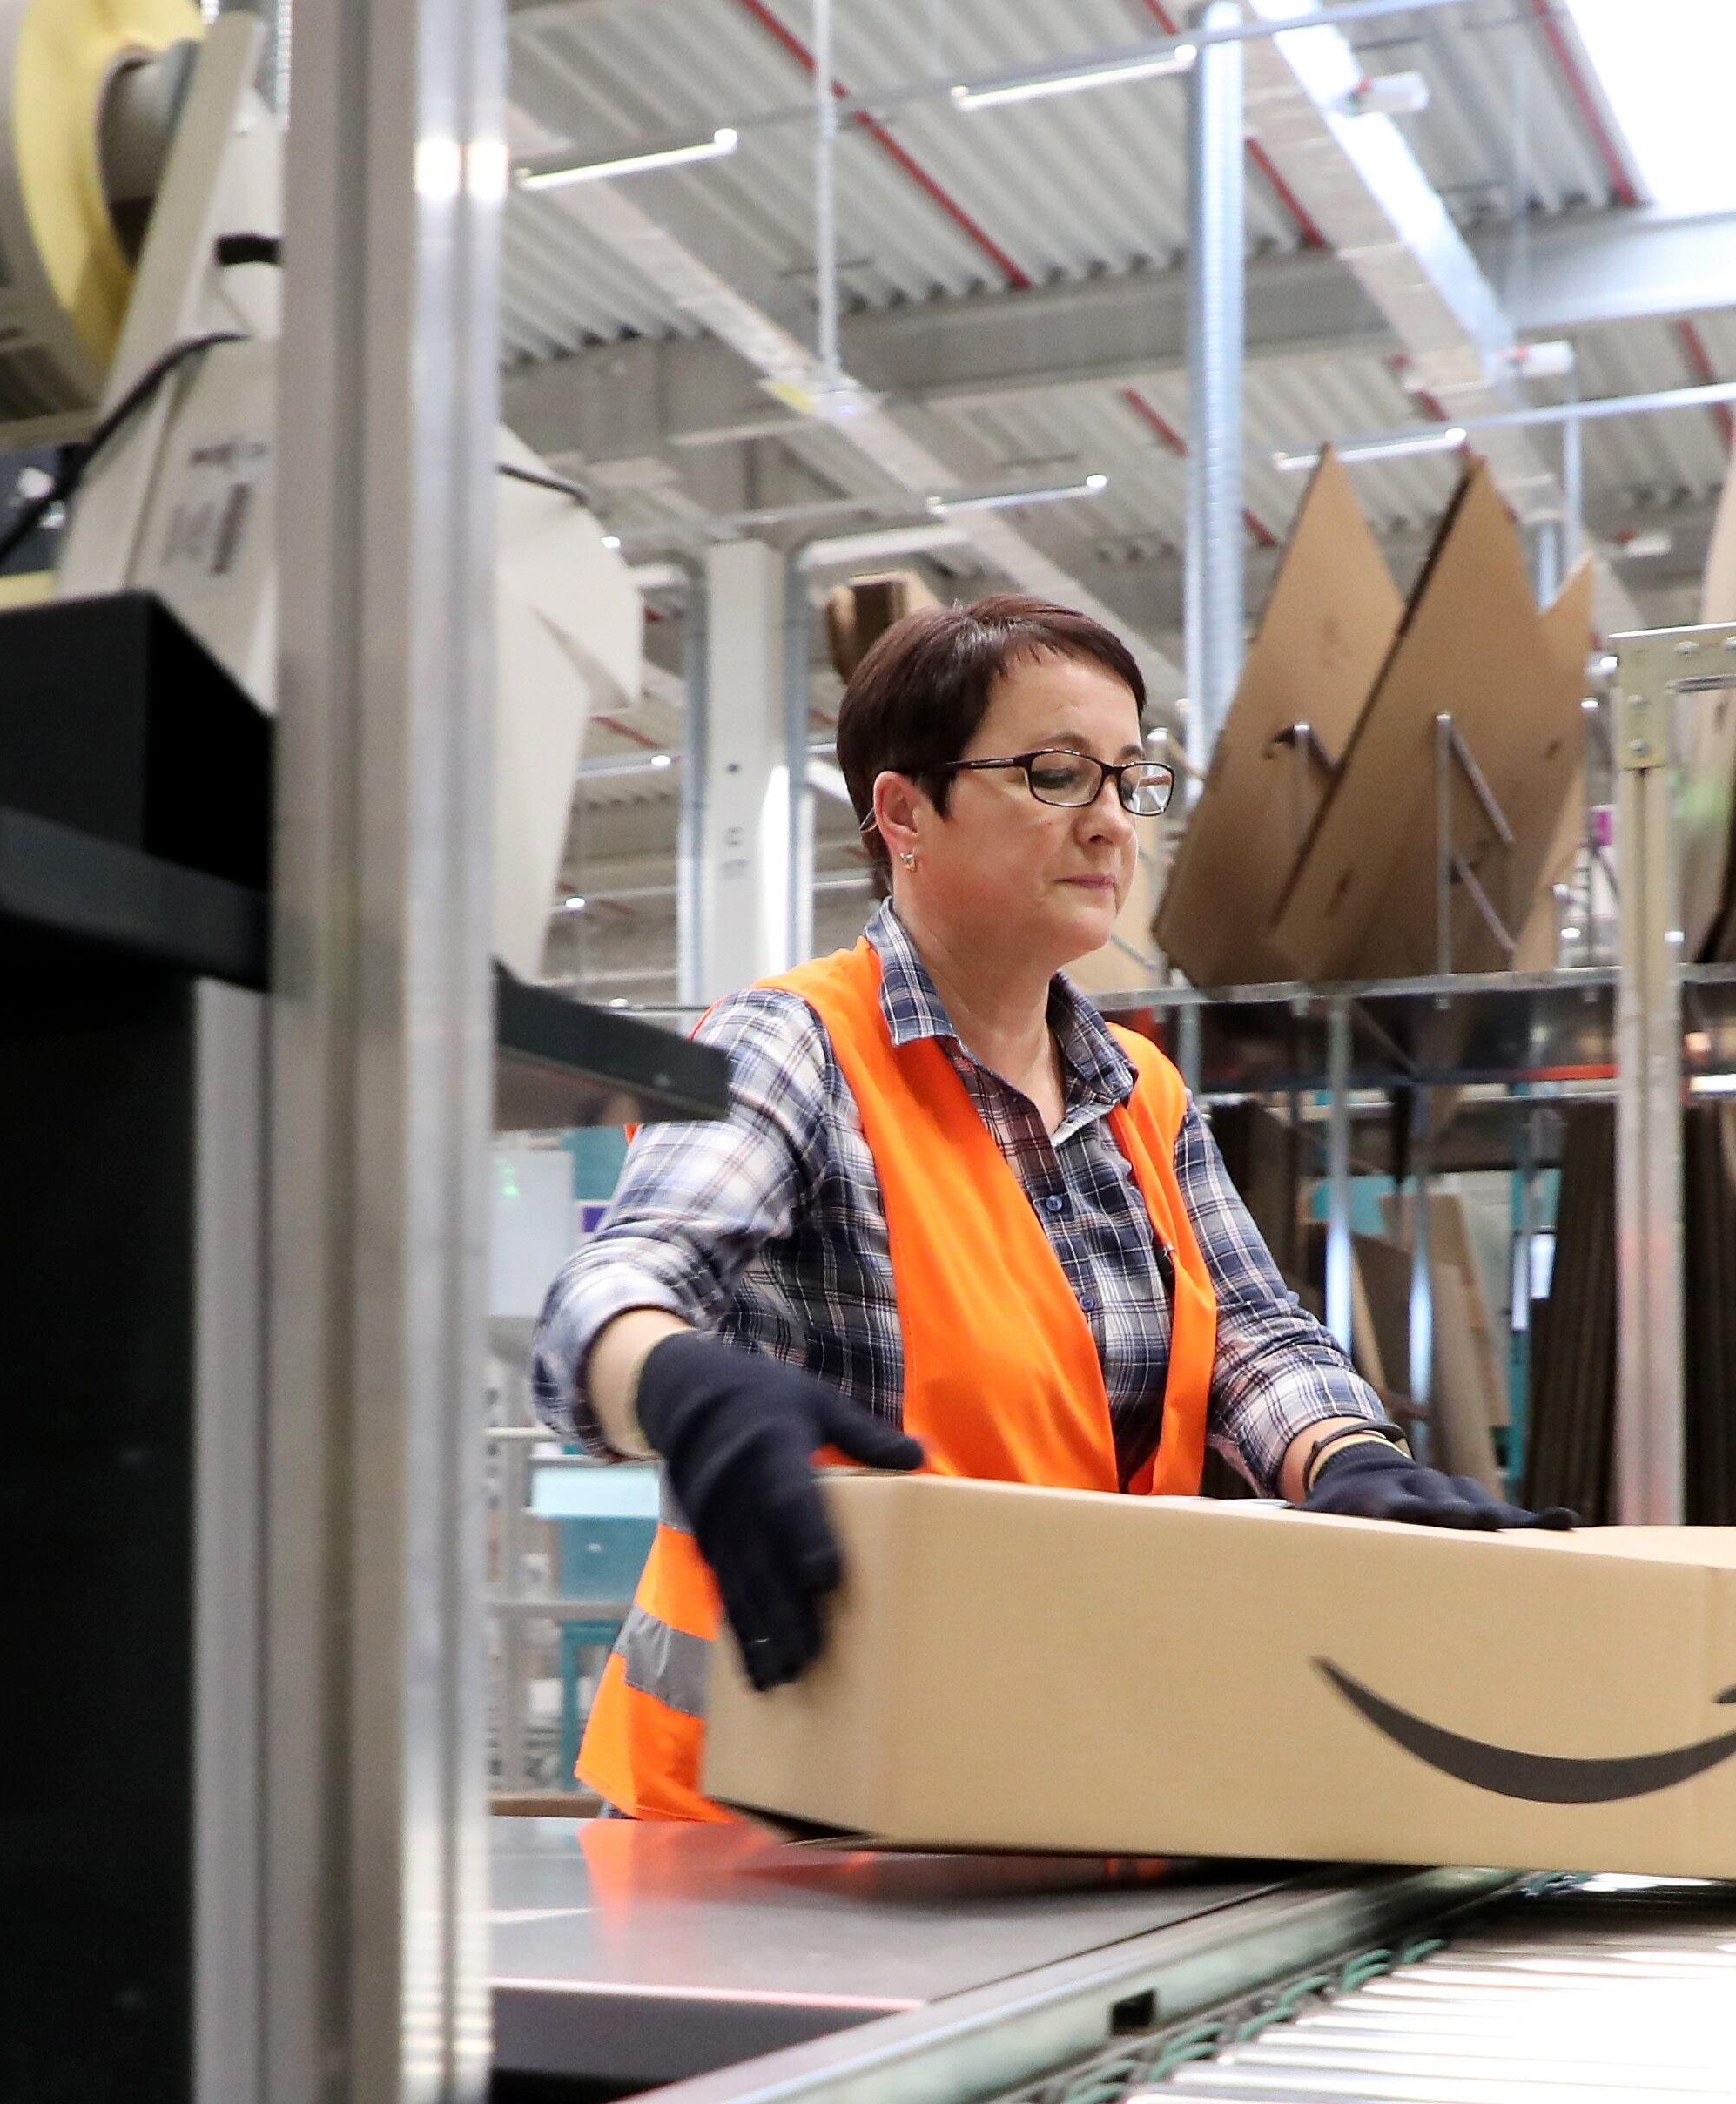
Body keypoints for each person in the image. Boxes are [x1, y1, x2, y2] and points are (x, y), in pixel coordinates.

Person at [535, 593, 1572, 1819]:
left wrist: (1342, 1454)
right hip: (769, 1816)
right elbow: (617, 1282)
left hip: (1043, 1764)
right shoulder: (792, 1045)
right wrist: (678, 1381)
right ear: (904, 814)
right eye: (1057, 773)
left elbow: (1251, 1335)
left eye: (1131, 779)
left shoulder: (1140, 1090)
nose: (1111, 822)